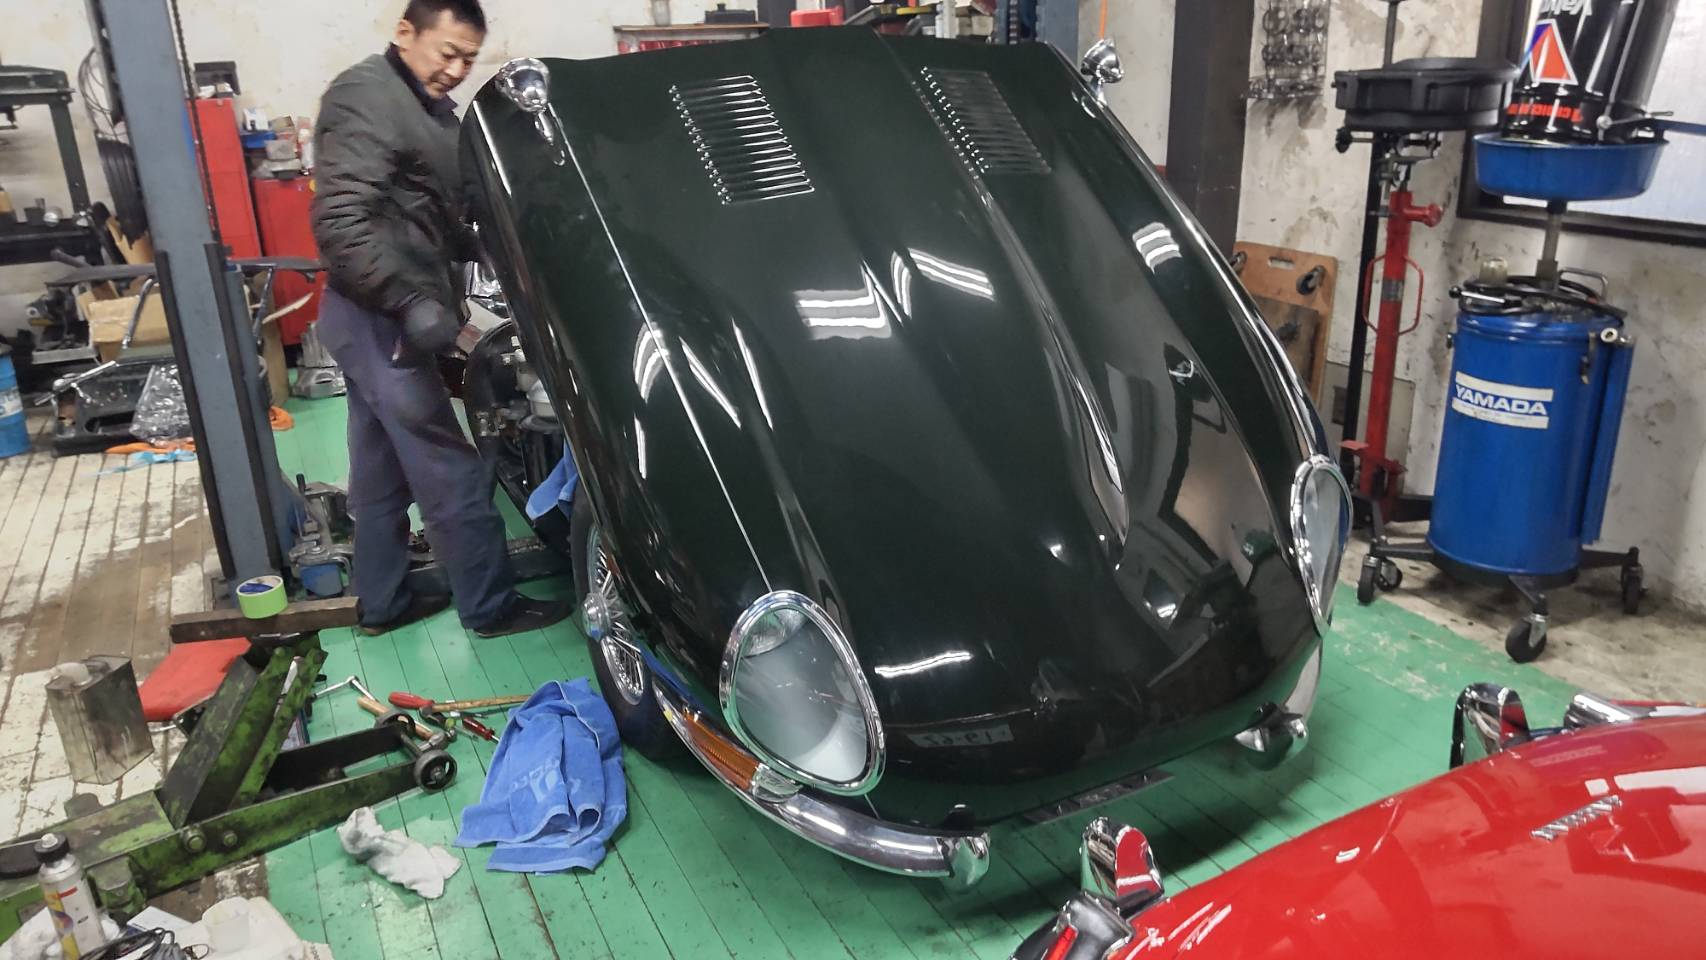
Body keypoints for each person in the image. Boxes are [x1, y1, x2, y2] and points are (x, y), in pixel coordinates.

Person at [310, 0, 570, 638]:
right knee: (449, 469)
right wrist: (409, 301)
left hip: (371, 318)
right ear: (406, 32)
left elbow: (434, 206)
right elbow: (341, 221)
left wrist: (488, 245)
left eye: (467, 59)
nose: (455, 69)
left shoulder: (428, 108)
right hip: (380, 320)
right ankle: (490, 607)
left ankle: (382, 602)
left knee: (379, 475)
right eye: (447, 52)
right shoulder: (367, 96)